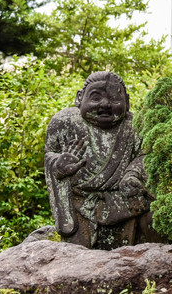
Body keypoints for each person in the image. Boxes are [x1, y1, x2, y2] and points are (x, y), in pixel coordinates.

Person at [44, 71, 159, 249]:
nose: (105, 104)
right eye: (96, 97)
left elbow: (146, 155)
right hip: (81, 200)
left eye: (114, 98)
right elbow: (50, 155)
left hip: (126, 199)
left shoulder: (135, 126)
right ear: (79, 98)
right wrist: (58, 166)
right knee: (76, 253)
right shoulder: (64, 123)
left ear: (126, 102)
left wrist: (132, 174)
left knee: (153, 218)